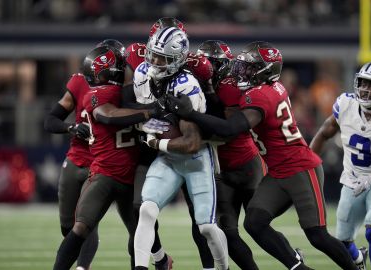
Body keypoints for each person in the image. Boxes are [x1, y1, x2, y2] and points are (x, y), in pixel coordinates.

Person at [166, 41, 358, 270]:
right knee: (254, 223)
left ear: (263, 71)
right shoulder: (267, 88)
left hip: (299, 168)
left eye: (248, 68)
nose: (240, 73)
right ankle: (299, 267)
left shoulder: (259, 95)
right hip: (276, 171)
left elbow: (229, 129)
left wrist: (190, 114)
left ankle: (354, 266)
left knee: (317, 235)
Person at [132, 26, 229, 270]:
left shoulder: (186, 85)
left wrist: (156, 141)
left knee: (206, 226)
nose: (153, 61)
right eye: (152, 54)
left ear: (177, 59)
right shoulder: (142, 73)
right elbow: (146, 119)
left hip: (195, 158)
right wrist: (153, 129)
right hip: (168, 158)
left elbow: (191, 142)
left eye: (161, 58)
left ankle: (222, 267)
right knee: (146, 210)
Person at [52, 45, 154, 270]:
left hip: (132, 174)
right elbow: (107, 116)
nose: (92, 79)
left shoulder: (137, 90)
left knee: (141, 233)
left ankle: (160, 259)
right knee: (80, 227)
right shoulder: (100, 94)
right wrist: (150, 111)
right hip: (105, 174)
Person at [310, 61, 371, 270]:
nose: (366, 89)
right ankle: (358, 260)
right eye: (363, 83)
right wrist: (306, 162)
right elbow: (323, 134)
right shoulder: (346, 105)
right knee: (343, 242)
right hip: (351, 179)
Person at [197, 40, 263, 270]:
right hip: (220, 170)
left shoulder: (231, 85)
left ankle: (293, 260)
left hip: (245, 165)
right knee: (227, 233)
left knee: (259, 228)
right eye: (205, 64)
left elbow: (226, 130)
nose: (208, 69)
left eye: (214, 64)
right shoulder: (195, 86)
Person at [44, 41, 106, 270]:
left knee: (86, 222)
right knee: (67, 225)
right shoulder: (80, 81)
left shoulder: (124, 88)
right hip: (76, 156)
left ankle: (83, 267)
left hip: (101, 162)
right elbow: (51, 120)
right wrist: (71, 128)